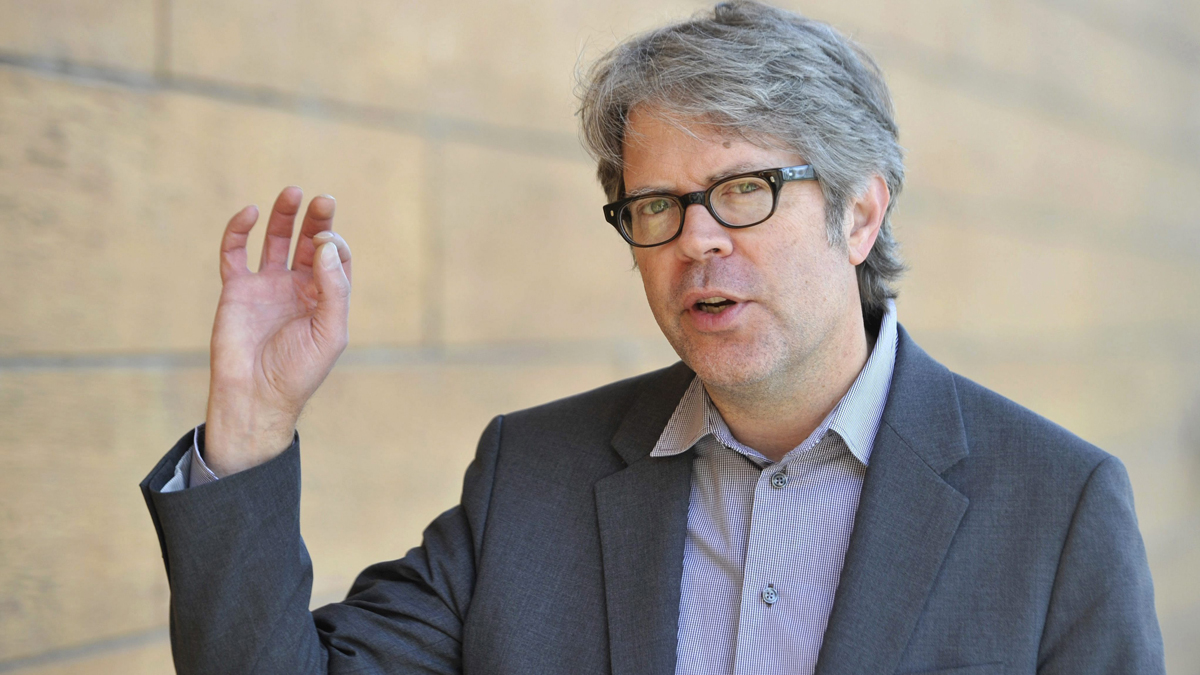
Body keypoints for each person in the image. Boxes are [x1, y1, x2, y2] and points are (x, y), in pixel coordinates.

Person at [140, 2, 1165, 673]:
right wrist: (252, 424)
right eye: (657, 205)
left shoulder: (1056, 505)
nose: (696, 240)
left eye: (744, 190)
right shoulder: (533, 474)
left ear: (859, 214)